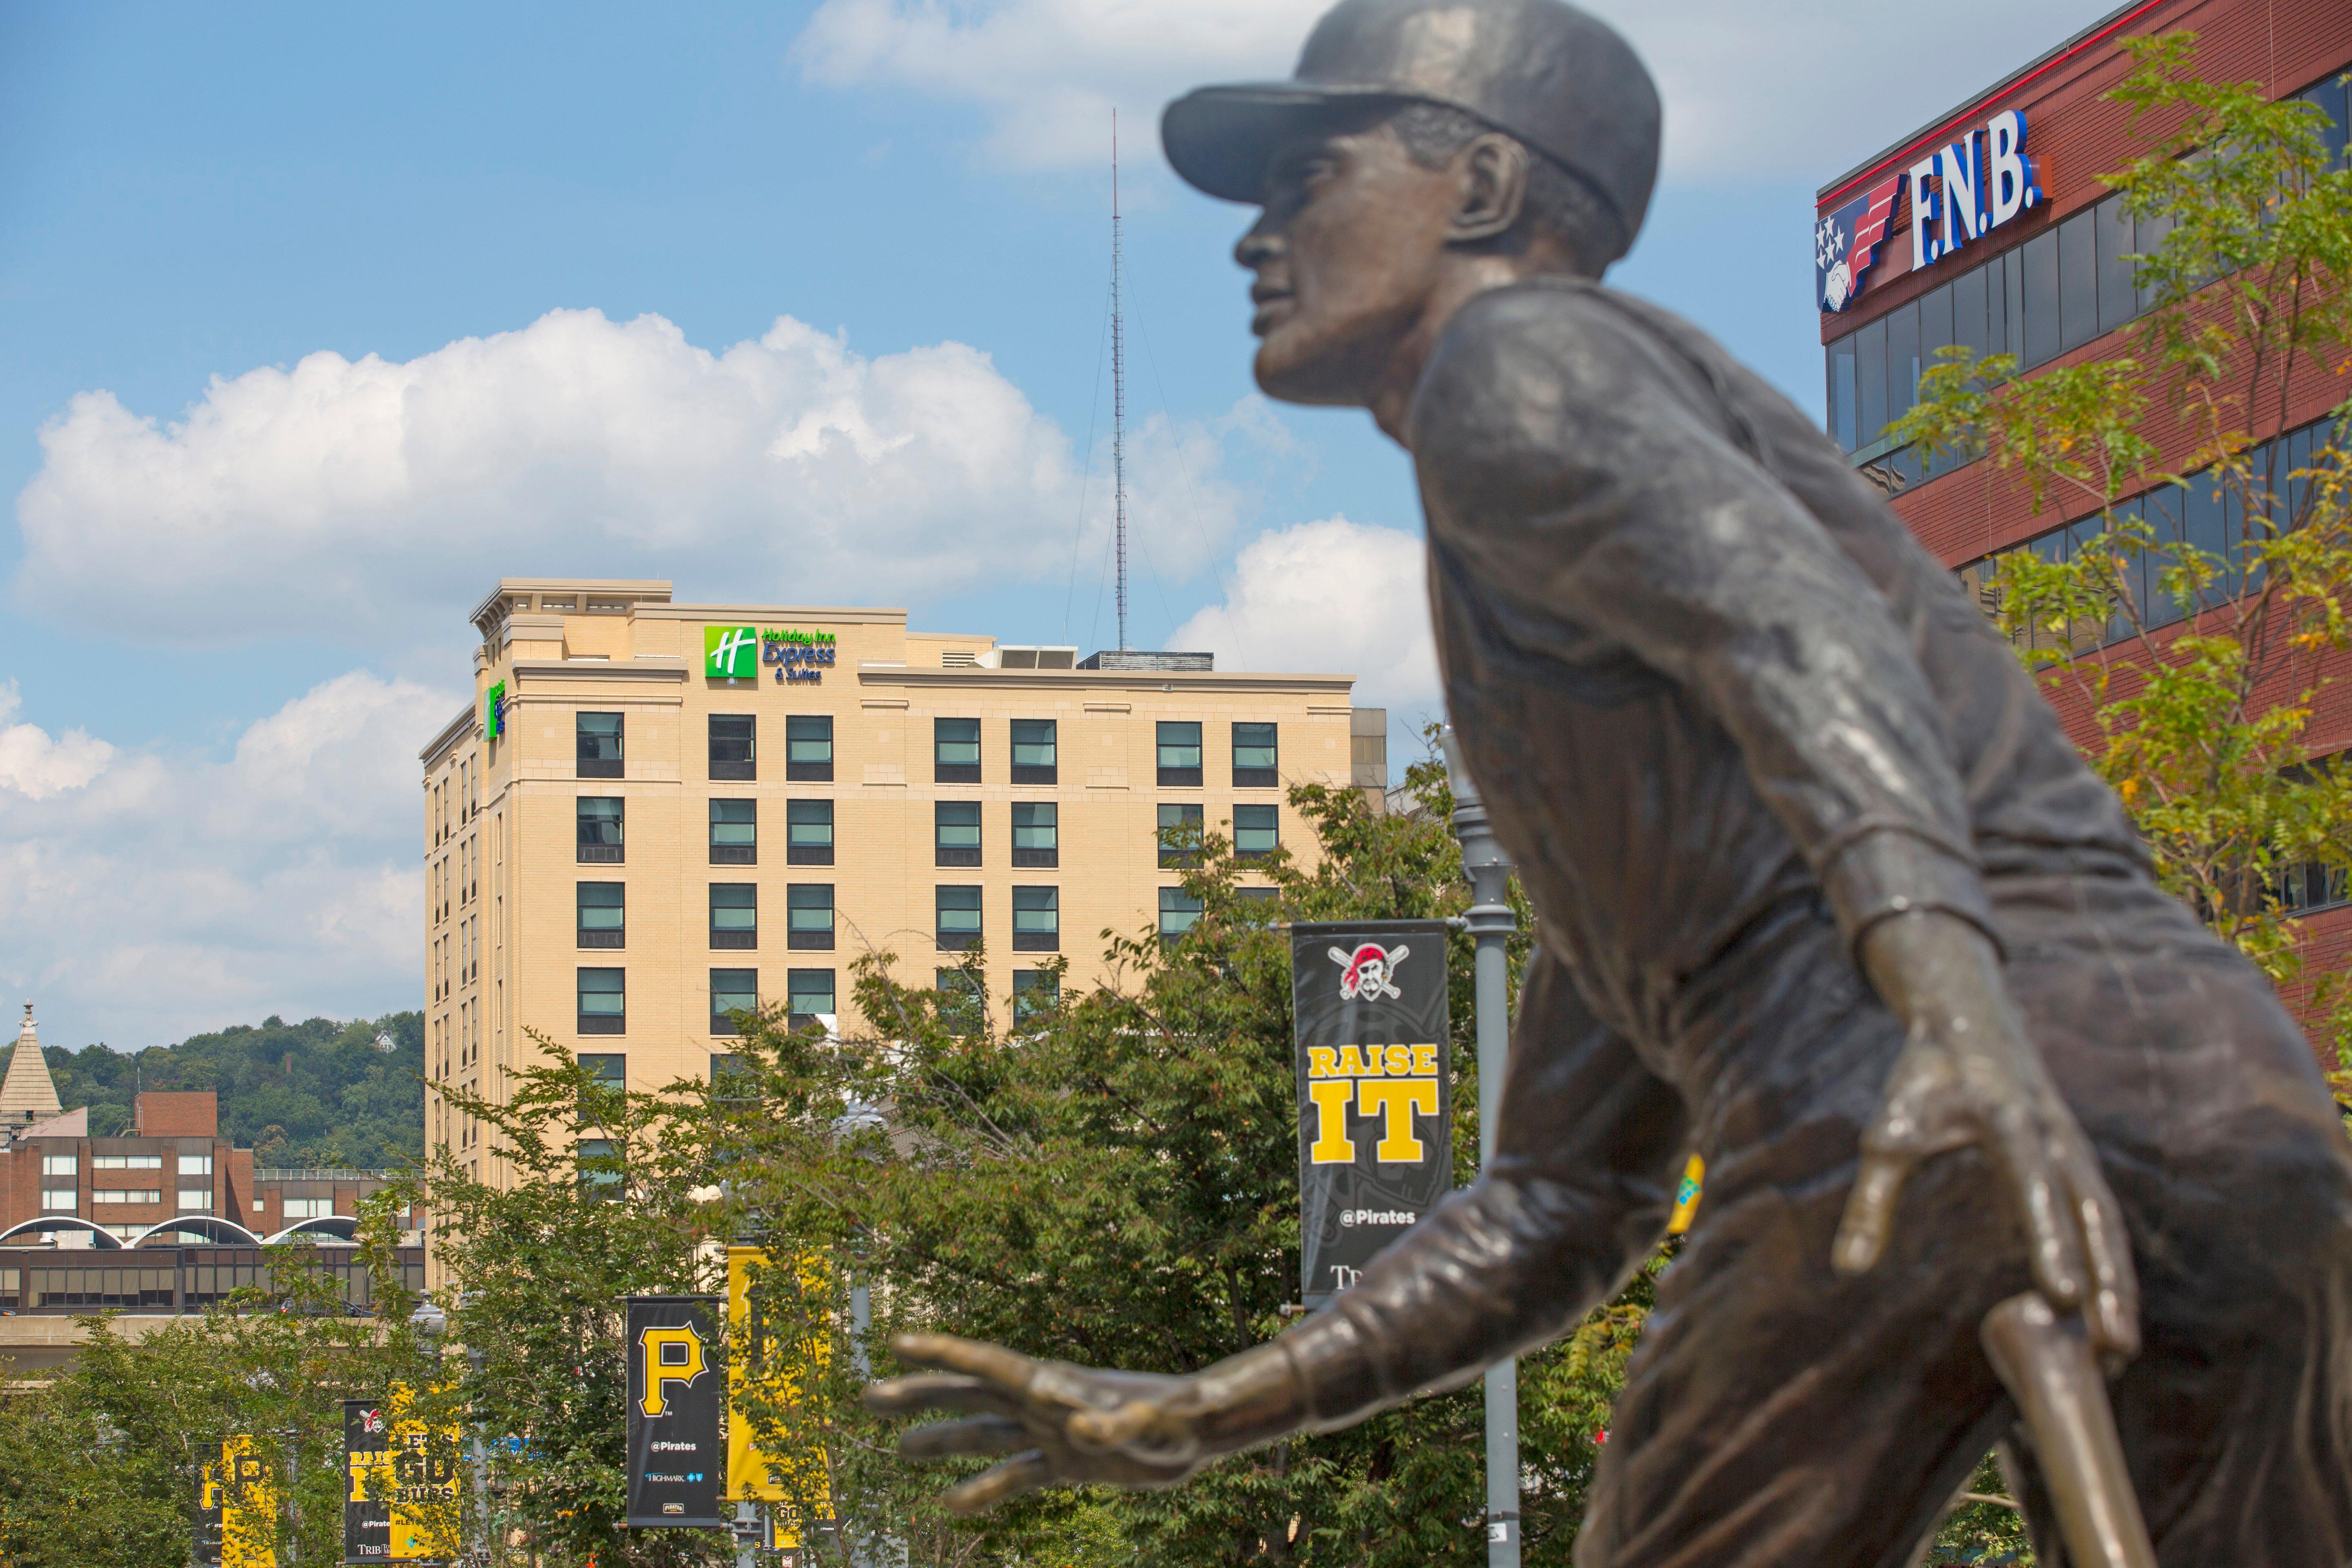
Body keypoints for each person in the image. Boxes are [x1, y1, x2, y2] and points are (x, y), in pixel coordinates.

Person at [866, 2, 2352, 1562]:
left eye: (1312, 173)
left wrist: (1959, 1016)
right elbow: (1557, 1209)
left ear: (1487, 191)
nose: (1258, 235)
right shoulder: (1643, 770)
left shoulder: (1510, 367)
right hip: (2228, 1086)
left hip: (1906, 1073)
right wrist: (1203, 1410)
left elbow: (1797, 633)